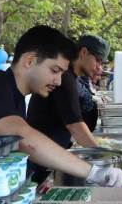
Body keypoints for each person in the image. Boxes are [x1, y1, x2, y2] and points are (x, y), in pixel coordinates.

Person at [0, 25, 122, 187]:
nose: (59, 81)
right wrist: (93, 171)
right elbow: (24, 138)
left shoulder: (15, 95)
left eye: (62, 73)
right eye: (54, 71)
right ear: (30, 60)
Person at [26, 34, 103, 183]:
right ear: (84, 52)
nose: (99, 67)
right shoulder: (66, 79)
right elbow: (75, 125)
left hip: (49, 152)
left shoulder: (70, 78)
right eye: (97, 60)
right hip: (42, 159)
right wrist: (103, 158)